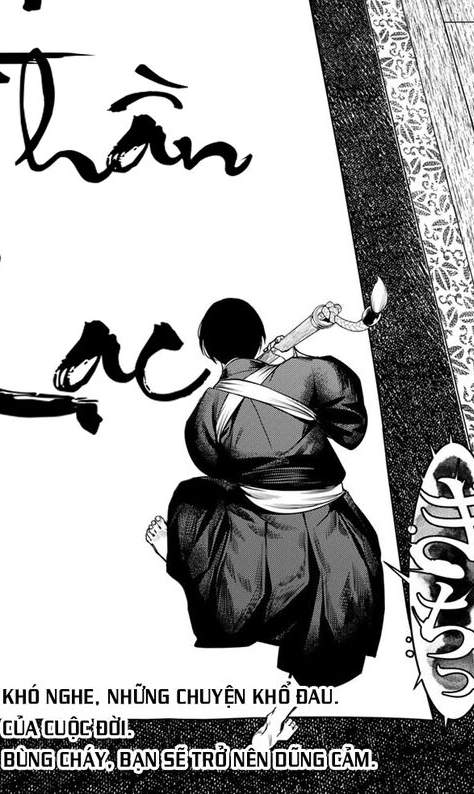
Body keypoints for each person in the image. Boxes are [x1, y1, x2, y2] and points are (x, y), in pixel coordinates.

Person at [146, 296, 384, 704]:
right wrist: (300, 366)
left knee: (194, 498)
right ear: (259, 338)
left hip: (262, 533)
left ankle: (184, 556)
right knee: (341, 606)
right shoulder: (309, 373)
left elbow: (217, 468)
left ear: (209, 351)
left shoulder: (207, 411)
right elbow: (352, 431)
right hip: (334, 524)